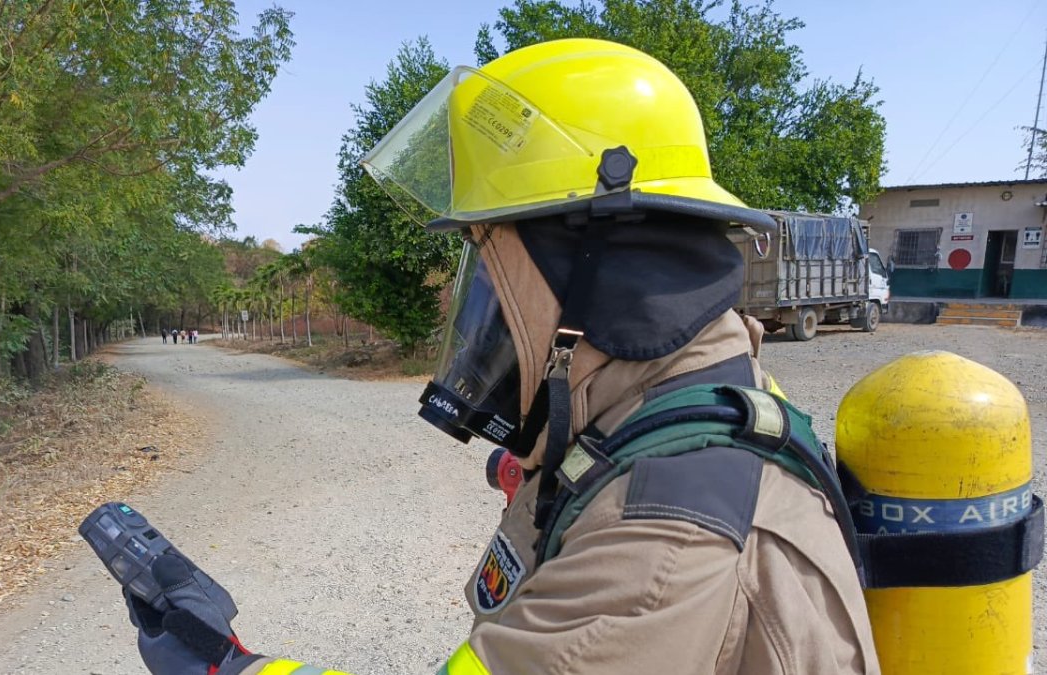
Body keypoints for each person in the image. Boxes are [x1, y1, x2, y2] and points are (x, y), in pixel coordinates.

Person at [119, 39, 879, 675]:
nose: (477, 310)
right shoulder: (697, 393)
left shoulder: (662, 542)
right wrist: (557, 465)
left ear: (592, 276)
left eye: (491, 272)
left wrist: (228, 665)